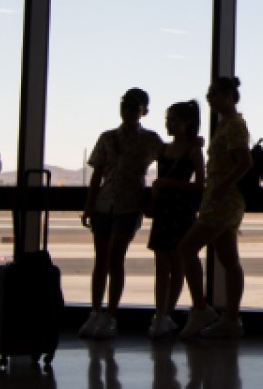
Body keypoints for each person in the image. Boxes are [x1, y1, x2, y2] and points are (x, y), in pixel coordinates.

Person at [79, 88, 165, 339]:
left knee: (115, 258)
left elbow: (169, 159)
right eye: (125, 104)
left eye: (133, 106)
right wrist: (90, 205)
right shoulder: (107, 138)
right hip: (105, 204)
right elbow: (96, 175)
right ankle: (96, 311)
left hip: (129, 204)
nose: (127, 110)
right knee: (101, 259)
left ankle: (111, 314)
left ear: (144, 111)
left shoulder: (150, 139)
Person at [175, 77, 252, 338]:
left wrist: (222, 186)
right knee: (229, 259)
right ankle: (231, 318)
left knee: (186, 248)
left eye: (214, 94)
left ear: (229, 94)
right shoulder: (226, 125)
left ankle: (200, 309)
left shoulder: (234, 126)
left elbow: (245, 162)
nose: (210, 99)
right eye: (208, 95)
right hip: (221, 200)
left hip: (222, 201)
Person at [147, 101, 205, 337]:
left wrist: (167, 184)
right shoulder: (163, 149)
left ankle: (166, 312)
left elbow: (200, 184)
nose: (168, 124)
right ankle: (161, 313)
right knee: (162, 264)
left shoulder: (192, 151)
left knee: (175, 262)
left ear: (186, 123)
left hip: (180, 211)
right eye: (167, 119)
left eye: (173, 120)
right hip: (165, 210)